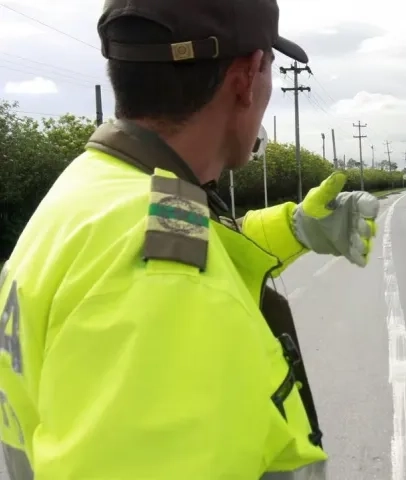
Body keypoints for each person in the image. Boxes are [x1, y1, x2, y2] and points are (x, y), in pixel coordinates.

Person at [0, 0, 379, 477]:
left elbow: (186, 241)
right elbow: (170, 272)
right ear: (248, 76)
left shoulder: (93, 188)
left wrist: (294, 228)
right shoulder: (163, 285)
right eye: (271, 72)